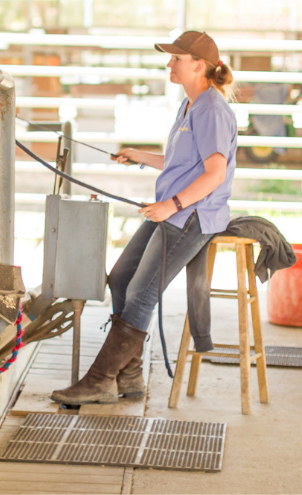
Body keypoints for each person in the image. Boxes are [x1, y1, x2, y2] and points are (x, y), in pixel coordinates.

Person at [51, 30, 237, 405]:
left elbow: (215, 173)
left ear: (198, 65)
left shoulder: (212, 108)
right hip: (176, 209)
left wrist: (173, 205)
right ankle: (130, 375)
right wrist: (139, 155)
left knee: (141, 291)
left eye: (177, 59)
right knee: (121, 278)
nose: (170, 64)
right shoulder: (189, 106)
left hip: (193, 215)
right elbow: (182, 163)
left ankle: (102, 378)